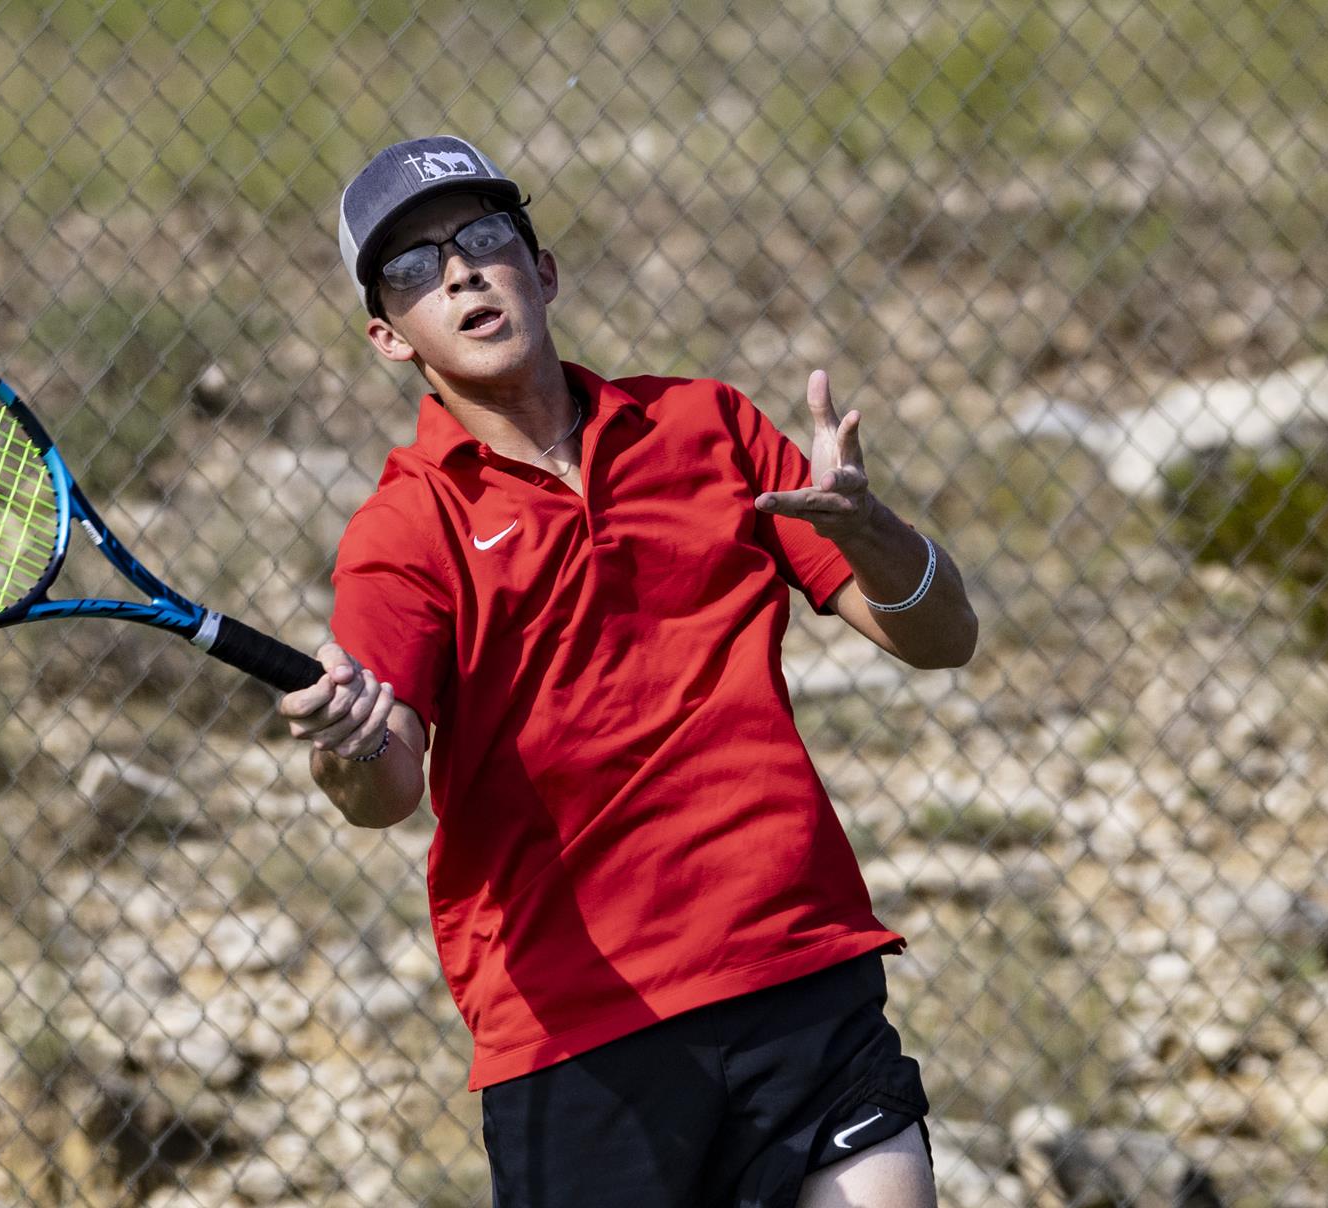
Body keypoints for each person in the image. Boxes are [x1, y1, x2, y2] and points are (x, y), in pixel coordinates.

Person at [280, 135, 976, 1208]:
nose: (460, 271)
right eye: (414, 267)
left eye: (483, 237)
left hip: (796, 967)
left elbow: (940, 639)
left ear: (542, 268)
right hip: (583, 1034)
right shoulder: (404, 530)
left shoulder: (707, 426)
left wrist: (874, 531)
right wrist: (347, 747)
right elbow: (385, 788)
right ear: (387, 336)